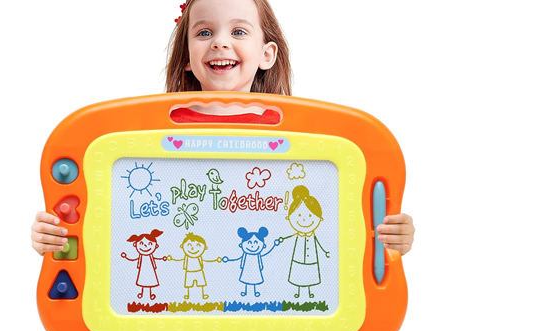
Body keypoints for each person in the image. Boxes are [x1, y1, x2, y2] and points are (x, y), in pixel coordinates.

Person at [30, 0, 415, 256]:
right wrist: (53, 237)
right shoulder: (141, 141)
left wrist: (393, 237)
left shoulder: (306, 144)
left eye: (239, 32)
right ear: (186, 58)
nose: (219, 43)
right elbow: (111, 219)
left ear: (267, 54)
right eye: (204, 33)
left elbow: (330, 220)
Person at [222, 226, 277, 297]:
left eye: (256, 242)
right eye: (249, 242)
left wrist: (260, 266)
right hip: (246, 269)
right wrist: (242, 266)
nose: (252, 245)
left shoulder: (257, 255)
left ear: (263, 245)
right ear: (242, 244)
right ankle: (245, 291)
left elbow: (260, 261)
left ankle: (255, 292)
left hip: (256, 269)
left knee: (255, 279)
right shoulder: (246, 254)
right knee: (246, 279)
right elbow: (242, 261)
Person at [166, 232, 222, 300]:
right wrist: (171, 258)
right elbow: (180, 259)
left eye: (198, 245)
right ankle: (188, 295)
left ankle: (203, 294)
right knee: (188, 284)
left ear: (205, 248)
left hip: (199, 271)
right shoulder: (187, 257)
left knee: (201, 283)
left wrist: (216, 260)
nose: (193, 248)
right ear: (182, 246)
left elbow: (206, 260)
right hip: (189, 272)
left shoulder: (199, 257)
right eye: (189, 245)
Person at [121, 229, 167, 301]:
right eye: (141, 244)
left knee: (150, 280)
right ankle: (141, 293)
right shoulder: (141, 256)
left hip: (150, 269)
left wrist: (162, 258)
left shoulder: (150, 256)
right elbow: (134, 259)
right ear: (135, 245)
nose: (146, 246)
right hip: (142, 270)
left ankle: (150, 294)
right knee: (142, 280)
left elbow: (155, 258)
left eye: (150, 244)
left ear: (156, 246)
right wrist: (126, 257)